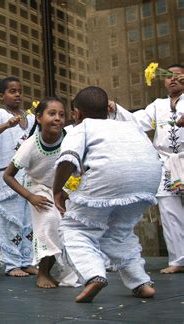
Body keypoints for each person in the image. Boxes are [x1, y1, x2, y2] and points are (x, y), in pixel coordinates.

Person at [53, 86, 162, 303]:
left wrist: (56, 190)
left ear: (77, 113)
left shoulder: (82, 127)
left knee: (75, 229)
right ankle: (141, 282)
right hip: (149, 177)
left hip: (112, 176)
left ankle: (94, 274)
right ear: (107, 110)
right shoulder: (127, 126)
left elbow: (68, 159)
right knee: (118, 232)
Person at [109, 65, 184, 274]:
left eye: (178, 76)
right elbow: (136, 121)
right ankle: (178, 260)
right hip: (167, 161)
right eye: (168, 76)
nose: (173, 80)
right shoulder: (158, 106)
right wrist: (116, 109)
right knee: (169, 210)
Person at [3, 97, 78, 289]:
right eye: (52, 114)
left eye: (61, 115)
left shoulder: (70, 137)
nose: (58, 119)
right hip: (38, 189)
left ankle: (62, 270)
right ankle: (42, 273)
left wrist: (65, 190)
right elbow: (8, 176)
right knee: (49, 222)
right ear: (38, 118)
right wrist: (30, 197)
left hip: (62, 189)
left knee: (66, 228)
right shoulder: (30, 145)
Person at [0, 77, 36, 277]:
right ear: (1, 95)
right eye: (12, 91)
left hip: (29, 178)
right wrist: (6, 125)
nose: (17, 95)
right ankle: (11, 263)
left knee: (29, 222)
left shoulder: (30, 119)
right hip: (7, 178)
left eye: (19, 91)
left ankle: (27, 260)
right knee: (10, 220)